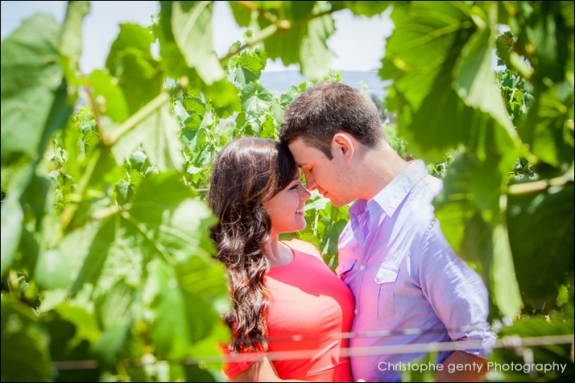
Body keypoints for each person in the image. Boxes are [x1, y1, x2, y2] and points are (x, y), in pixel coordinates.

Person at [279, 82, 496, 382]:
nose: (310, 185)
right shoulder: (354, 231)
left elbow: (483, 349)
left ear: (343, 147)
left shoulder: (436, 219)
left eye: (310, 168)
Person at [207, 137, 355, 382]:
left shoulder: (307, 251)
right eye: (294, 187)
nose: (307, 194)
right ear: (257, 199)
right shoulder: (229, 284)